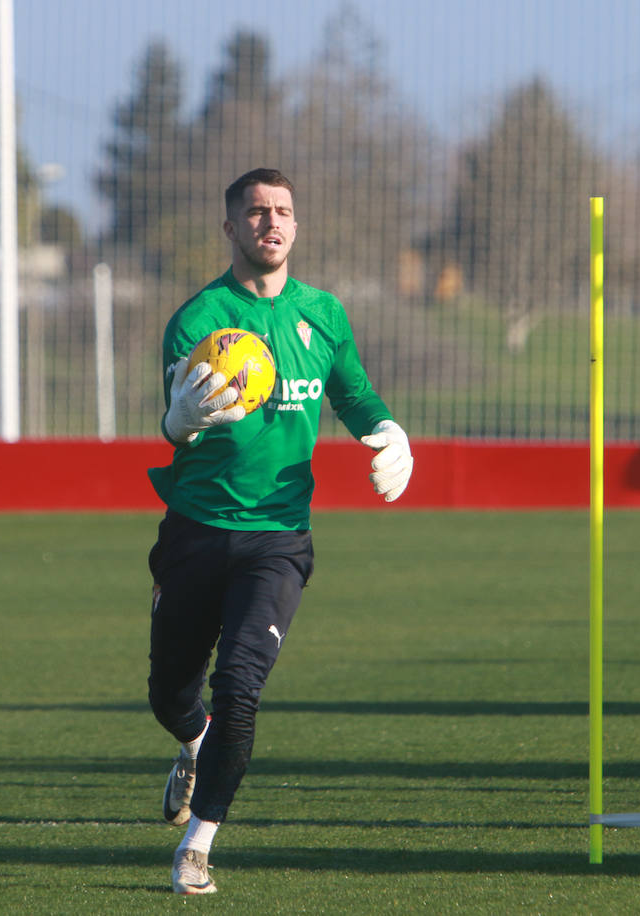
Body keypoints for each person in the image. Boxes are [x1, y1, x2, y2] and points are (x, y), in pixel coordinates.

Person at [146, 167, 414, 895]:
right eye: (257, 212)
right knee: (170, 694)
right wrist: (178, 421)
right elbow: (174, 422)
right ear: (230, 228)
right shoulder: (198, 319)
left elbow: (353, 393)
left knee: (240, 686)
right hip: (197, 532)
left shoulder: (323, 314)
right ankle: (193, 744)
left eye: (284, 211)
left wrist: (389, 431)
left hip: (278, 539)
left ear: (296, 227)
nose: (272, 223)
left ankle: (198, 845)